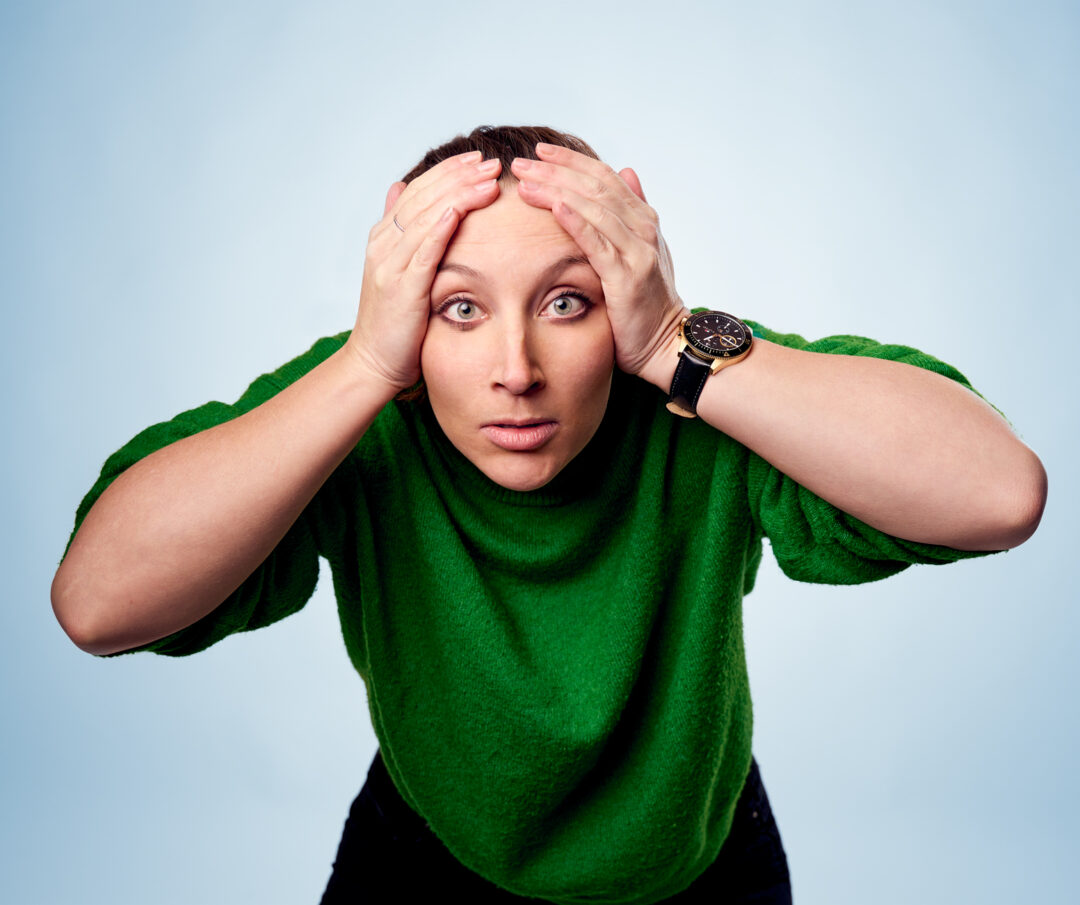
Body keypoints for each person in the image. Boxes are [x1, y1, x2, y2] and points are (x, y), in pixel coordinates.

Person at [52, 125, 1047, 904]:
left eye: (566, 302)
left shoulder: (694, 382)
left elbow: (999, 493)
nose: (515, 370)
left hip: (697, 865)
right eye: (459, 307)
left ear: (620, 303)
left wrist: (674, 341)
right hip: (424, 851)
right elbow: (97, 603)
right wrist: (361, 365)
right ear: (407, 321)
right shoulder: (372, 401)